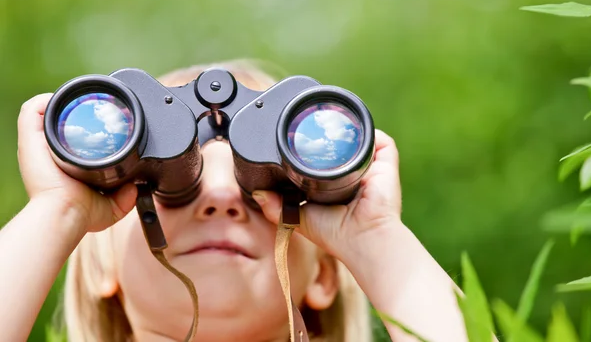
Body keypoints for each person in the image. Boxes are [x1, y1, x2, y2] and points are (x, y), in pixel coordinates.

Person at [1, 60, 470, 342]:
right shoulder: (62, 222)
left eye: (259, 196)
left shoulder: (365, 247)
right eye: (171, 191)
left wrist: (375, 237)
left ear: (325, 274)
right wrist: (57, 210)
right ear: (101, 264)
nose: (224, 197)